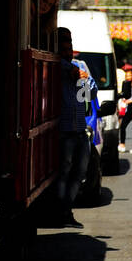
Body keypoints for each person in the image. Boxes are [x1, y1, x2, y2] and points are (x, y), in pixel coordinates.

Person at [52, 28, 88, 228]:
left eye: (70, 48)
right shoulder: (59, 68)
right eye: (64, 48)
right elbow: (61, 69)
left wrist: (83, 81)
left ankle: (67, 210)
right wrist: (71, 72)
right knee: (64, 172)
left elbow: (88, 97)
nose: (68, 52)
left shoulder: (79, 68)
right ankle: (60, 212)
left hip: (80, 130)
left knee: (80, 172)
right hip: (64, 131)